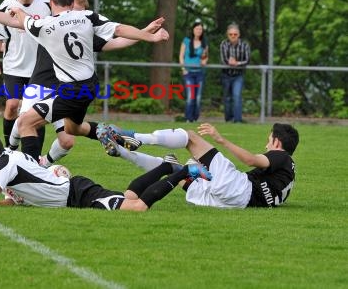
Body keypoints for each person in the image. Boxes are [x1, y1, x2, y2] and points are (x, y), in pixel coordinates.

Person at [0, 0, 169, 161]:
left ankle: (31, 175)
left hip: (68, 90)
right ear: (72, 3)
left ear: (52, 2)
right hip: (86, 87)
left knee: (26, 122)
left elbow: (18, 20)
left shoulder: (44, 24)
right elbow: (120, 30)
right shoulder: (87, 18)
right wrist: (147, 35)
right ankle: (112, 133)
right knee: (72, 129)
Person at [0, 134, 209, 211]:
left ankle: (185, 169)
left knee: (136, 208)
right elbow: (6, 199)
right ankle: (167, 165)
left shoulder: (1, 168)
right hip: (74, 189)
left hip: (78, 195)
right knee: (128, 196)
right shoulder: (9, 156)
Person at [97, 121, 299, 208]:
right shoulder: (289, 170)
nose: (266, 145)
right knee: (178, 173)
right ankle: (123, 151)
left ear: (277, 143)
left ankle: (133, 137)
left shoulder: (281, 157)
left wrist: (221, 140)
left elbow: (251, 160)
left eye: (268, 140)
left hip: (238, 188)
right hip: (235, 203)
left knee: (191, 138)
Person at [0, 0, 51, 146]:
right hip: (14, 66)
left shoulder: (47, 5)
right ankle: (10, 147)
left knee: (36, 111)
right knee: (12, 105)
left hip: (39, 68)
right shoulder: (7, 5)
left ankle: (34, 156)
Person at [220, 23, 250, 123]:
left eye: (235, 34)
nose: (233, 36)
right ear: (227, 35)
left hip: (238, 75)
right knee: (227, 98)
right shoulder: (224, 44)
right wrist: (230, 62)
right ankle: (228, 119)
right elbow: (224, 60)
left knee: (237, 96)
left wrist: (237, 63)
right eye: (231, 34)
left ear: (239, 34)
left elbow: (247, 60)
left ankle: (237, 120)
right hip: (226, 74)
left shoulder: (244, 45)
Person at [179, 19, 208, 122]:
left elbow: (205, 57)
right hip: (188, 73)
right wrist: (183, 68)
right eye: (197, 28)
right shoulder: (186, 41)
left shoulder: (204, 43)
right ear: (193, 29)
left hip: (199, 73)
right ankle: (188, 118)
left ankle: (195, 118)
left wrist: (204, 61)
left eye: (200, 29)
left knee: (198, 97)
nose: (199, 31)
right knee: (190, 96)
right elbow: (181, 56)